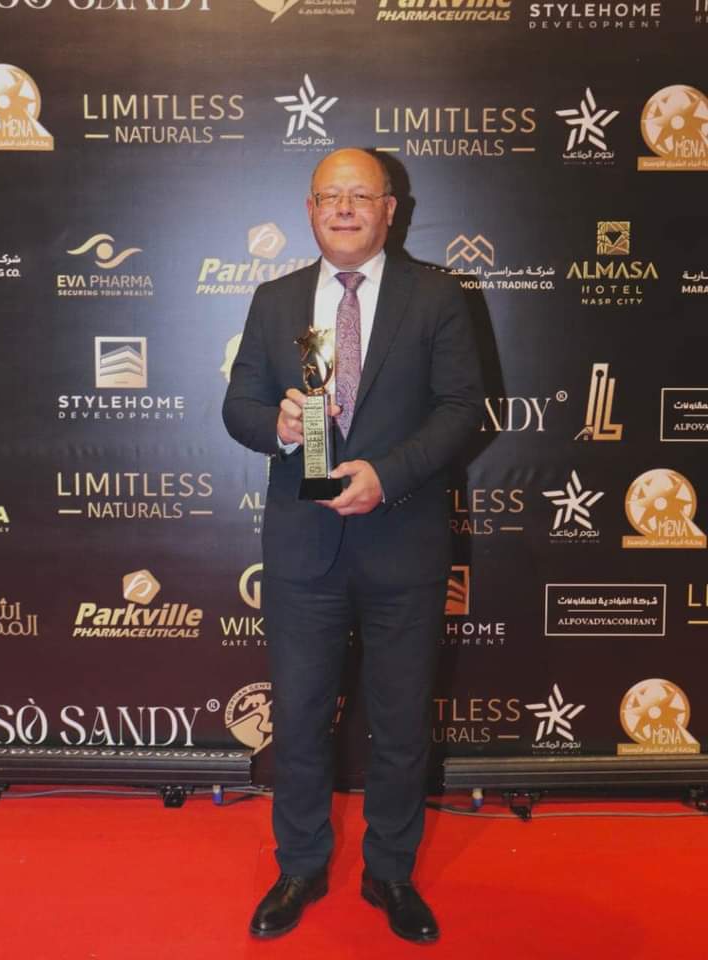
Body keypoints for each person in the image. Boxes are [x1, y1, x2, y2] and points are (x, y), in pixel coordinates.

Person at [223, 147, 483, 943]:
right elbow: (238, 405)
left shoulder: (437, 296)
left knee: (401, 725)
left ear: (389, 210)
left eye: (360, 196)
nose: (343, 208)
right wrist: (274, 425)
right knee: (300, 718)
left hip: (403, 543)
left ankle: (390, 872)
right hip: (303, 550)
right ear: (309, 209)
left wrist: (386, 476)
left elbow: (462, 410)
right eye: (329, 195)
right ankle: (300, 865)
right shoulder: (274, 300)